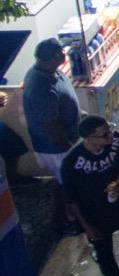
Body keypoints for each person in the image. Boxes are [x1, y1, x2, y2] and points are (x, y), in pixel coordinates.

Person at [61, 116, 119, 276]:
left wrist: (118, 182)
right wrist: (87, 227)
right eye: (104, 135)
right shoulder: (72, 162)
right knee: (106, 259)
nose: (110, 135)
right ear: (89, 138)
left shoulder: (116, 142)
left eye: (109, 129)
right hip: (96, 215)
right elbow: (72, 199)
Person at [22, 37, 80, 233]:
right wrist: (68, 148)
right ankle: (63, 220)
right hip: (55, 148)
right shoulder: (41, 86)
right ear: (51, 59)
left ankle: (66, 215)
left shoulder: (50, 72)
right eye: (60, 55)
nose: (64, 57)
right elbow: (49, 125)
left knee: (62, 181)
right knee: (67, 184)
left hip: (63, 142)